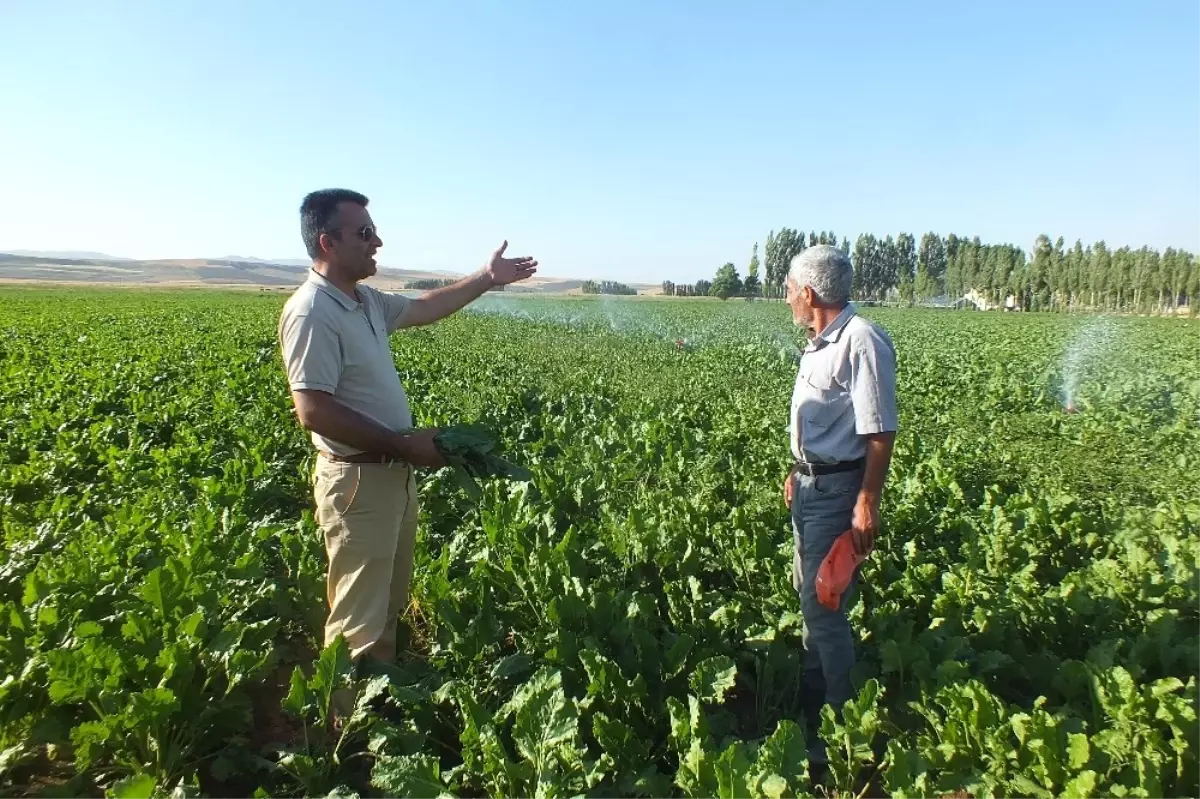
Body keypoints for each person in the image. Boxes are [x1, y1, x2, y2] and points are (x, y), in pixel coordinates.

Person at [277, 188, 537, 681]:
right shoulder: (313, 310)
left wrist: (487, 278)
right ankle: (343, 733)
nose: (377, 241)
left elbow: (423, 307)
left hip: (390, 474)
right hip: (358, 481)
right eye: (365, 233)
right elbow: (312, 409)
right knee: (359, 617)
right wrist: (401, 444)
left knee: (388, 600)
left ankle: (379, 705)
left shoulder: (363, 301)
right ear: (328, 242)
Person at [782, 245, 897, 771]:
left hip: (837, 496)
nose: (787, 300)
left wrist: (866, 502)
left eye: (788, 291)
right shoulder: (819, 344)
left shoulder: (860, 340)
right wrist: (799, 468)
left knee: (825, 610)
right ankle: (813, 695)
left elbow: (878, 431)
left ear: (808, 293)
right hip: (810, 489)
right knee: (810, 599)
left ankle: (840, 730)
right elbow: (825, 423)